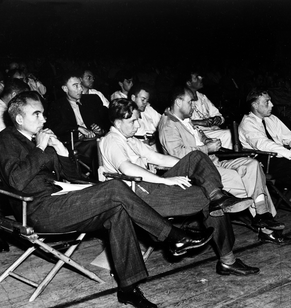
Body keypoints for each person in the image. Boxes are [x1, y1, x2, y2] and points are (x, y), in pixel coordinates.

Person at [0, 90, 215, 308]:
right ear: (19, 118)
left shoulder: (39, 138)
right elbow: (17, 180)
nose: (44, 119)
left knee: (117, 210)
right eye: (37, 114)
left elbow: (75, 177)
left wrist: (61, 152)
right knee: (115, 188)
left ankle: (128, 288)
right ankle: (172, 236)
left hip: (62, 202)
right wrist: (41, 148)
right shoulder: (5, 140)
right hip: (38, 209)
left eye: (43, 114)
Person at [99, 98, 260, 277]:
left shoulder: (130, 140)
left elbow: (159, 159)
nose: (138, 125)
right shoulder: (111, 141)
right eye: (133, 121)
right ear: (118, 122)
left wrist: (190, 167)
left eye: (138, 119)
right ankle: (228, 260)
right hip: (138, 198)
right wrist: (166, 181)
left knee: (196, 156)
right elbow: (127, 168)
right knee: (207, 198)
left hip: (151, 188)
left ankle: (218, 195)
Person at [158, 86, 291, 245]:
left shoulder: (185, 120)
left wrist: (209, 142)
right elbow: (178, 155)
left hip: (214, 162)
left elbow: (201, 137)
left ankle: (262, 217)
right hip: (201, 172)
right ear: (178, 102)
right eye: (190, 102)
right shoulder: (168, 125)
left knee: (252, 165)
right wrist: (206, 148)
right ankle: (266, 226)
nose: (194, 106)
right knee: (255, 183)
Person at [238, 88, 291, 236]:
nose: (272, 104)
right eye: (267, 102)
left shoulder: (271, 119)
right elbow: (264, 144)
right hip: (272, 165)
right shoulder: (247, 124)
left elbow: (289, 136)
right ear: (254, 105)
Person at [45, 71, 109, 178]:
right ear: (65, 89)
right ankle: (99, 178)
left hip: (96, 139)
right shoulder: (57, 106)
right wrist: (78, 128)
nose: (80, 89)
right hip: (75, 143)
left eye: (80, 85)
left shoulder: (92, 100)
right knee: (97, 146)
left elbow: (106, 121)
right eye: (75, 86)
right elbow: (54, 127)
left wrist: (100, 130)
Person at [185, 71, 233, 149]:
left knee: (231, 133)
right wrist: (200, 122)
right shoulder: (183, 100)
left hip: (213, 130)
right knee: (229, 134)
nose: (201, 78)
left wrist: (217, 119)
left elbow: (219, 115)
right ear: (189, 83)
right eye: (196, 77)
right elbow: (180, 121)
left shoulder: (202, 97)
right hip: (199, 134)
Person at [129, 83, 161, 150]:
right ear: (133, 98)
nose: (145, 103)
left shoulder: (148, 110)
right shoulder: (127, 116)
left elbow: (162, 123)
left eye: (147, 100)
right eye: (143, 100)